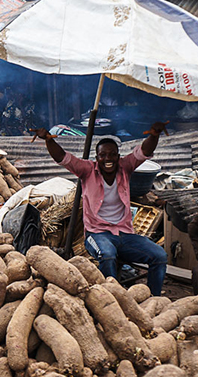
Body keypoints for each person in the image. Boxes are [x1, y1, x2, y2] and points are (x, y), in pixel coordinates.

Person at [32, 124, 169, 296]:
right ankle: (111, 297)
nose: (108, 159)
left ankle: (154, 298)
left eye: (112, 154)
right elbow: (63, 158)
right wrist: (48, 140)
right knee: (107, 255)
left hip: (124, 234)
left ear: (118, 157)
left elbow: (142, 152)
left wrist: (154, 136)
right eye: (103, 155)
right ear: (97, 157)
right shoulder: (87, 170)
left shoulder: (125, 167)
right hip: (97, 234)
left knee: (159, 256)